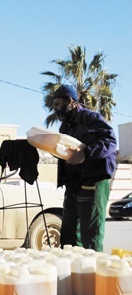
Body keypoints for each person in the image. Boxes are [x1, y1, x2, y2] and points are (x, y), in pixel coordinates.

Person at [52, 84, 117, 251]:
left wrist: (86, 153)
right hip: (74, 182)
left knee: (90, 236)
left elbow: (110, 142)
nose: (56, 109)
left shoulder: (91, 118)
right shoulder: (65, 126)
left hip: (94, 181)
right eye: (54, 105)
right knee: (69, 235)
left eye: (59, 104)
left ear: (71, 101)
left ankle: (93, 272)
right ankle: (74, 273)